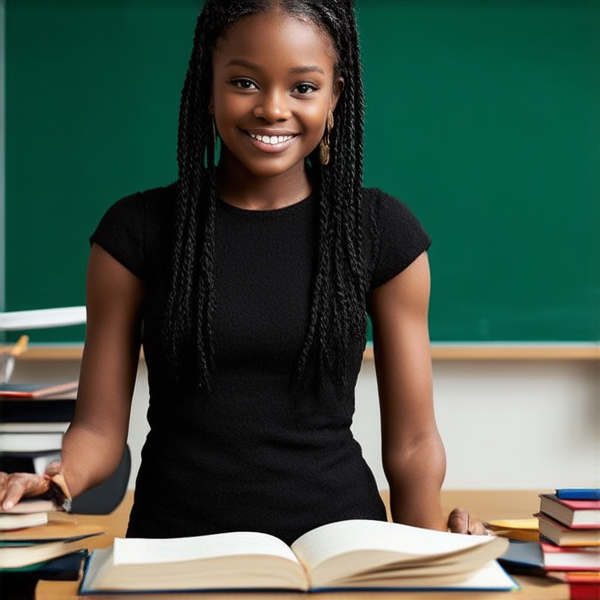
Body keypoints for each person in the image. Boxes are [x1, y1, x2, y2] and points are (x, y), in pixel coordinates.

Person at [0, 0, 486, 541]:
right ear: (208, 88)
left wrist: (429, 555)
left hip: (341, 548)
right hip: (174, 552)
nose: (273, 109)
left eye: (303, 87)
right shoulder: (136, 231)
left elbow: (414, 442)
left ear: (335, 97)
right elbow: (97, 430)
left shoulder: (379, 231)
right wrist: (57, 479)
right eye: (245, 83)